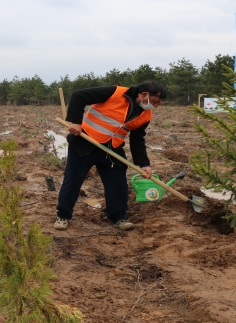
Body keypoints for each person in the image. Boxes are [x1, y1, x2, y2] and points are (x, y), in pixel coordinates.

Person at [54, 80, 166, 231]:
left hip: (112, 149)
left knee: (118, 184)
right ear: (144, 94)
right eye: (154, 101)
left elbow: (137, 140)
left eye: (158, 103)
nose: (156, 106)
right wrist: (76, 122)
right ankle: (63, 216)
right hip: (85, 143)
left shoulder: (146, 115)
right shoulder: (115, 93)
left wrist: (144, 164)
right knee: (73, 180)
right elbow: (78, 96)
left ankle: (118, 217)